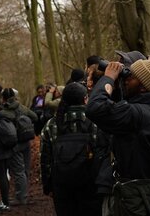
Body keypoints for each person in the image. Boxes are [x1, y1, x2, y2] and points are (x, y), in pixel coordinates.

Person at [86, 55, 150, 216]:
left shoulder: (136, 114)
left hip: (133, 198)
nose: (125, 80)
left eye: (131, 78)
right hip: (145, 192)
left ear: (143, 87)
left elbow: (95, 108)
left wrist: (108, 77)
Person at [41, 82, 102, 216]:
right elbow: (103, 152)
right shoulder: (96, 121)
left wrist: (47, 186)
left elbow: (45, 158)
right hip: (91, 184)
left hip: (62, 185)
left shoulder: (51, 124)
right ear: (85, 98)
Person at [0, 88, 37, 205]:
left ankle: (21, 198)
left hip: (15, 144)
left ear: (4, 98)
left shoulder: (4, 112)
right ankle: (23, 195)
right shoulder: (21, 107)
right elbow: (35, 117)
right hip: (26, 141)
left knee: (18, 171)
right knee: (24, 170)